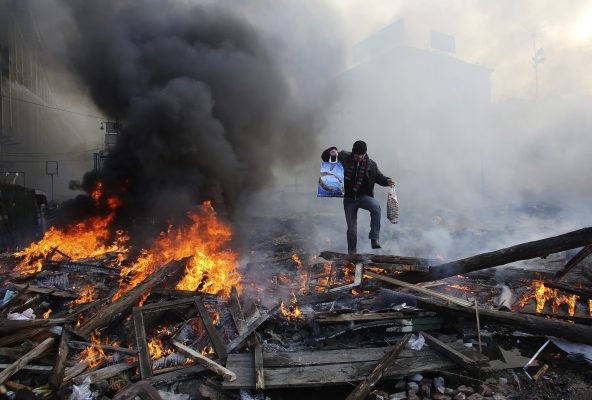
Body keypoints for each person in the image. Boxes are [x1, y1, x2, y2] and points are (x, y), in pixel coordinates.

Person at [321, 140, 395, 254]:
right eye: (357, 155)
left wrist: (387, 180)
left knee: (376, 207)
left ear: (365, 153)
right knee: (352, 228)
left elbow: (379, 177)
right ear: (353, 152)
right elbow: (325, 157)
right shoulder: (343, 156)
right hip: (349, 199)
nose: (360, 157)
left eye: (362, 155)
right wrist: (332, 151)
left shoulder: (371, 164)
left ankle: (374, 239)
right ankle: (352, 252)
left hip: (364, 197)